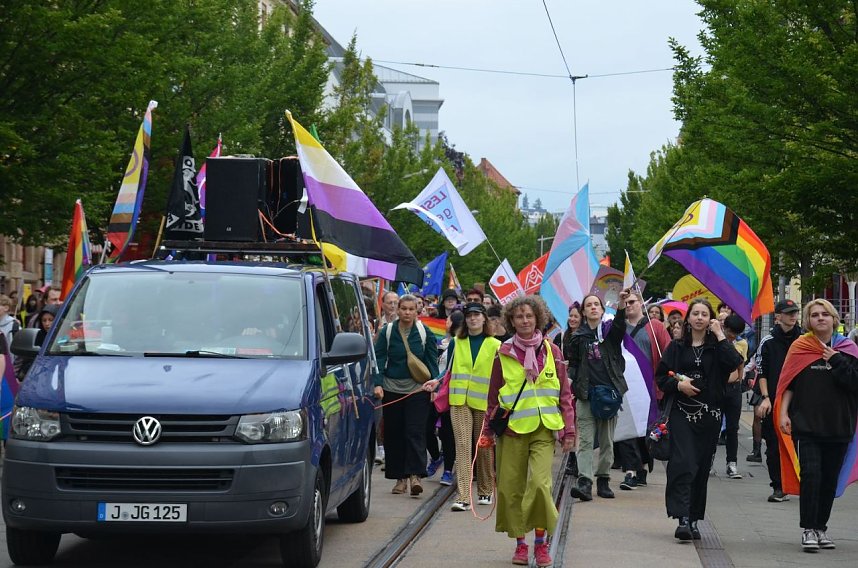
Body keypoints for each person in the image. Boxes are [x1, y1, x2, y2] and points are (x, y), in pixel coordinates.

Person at [480, 295, 575, 567]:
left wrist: (569, 430)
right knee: (511, 490)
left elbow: (565, 394)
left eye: (529, 316)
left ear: (538, 319)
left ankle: (541, 543)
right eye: (519, 316)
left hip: (544, 429)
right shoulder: (503, 353)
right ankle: (521, 544)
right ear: (511, 320)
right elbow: (493, 396)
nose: (524, 321)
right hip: (511, 431)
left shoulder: (552, 352)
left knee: (540, 486)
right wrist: (487, 430)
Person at [655, 298, 743, 541]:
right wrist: (678, 384)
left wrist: (721, 335)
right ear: (688, 318)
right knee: (683, 463)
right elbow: (661, 377)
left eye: (705, 314)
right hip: (681, 414)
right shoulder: (676, 347)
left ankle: (694, 518)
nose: (700, 318)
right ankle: (682, 517)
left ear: (711, 319)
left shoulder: (717, 348)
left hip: (710, 416)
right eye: (695, 313)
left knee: (701, 468)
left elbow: (736, 364)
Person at [775, 299, 858, 552]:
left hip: (839, 425)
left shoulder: (848, 349)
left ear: (834, 319)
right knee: (811, 475)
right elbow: (789, 383)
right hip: (807, 425)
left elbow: (854, 383)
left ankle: (821, 527)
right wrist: (783, 413)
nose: (820, 318)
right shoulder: (800, 347)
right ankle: (808, 529)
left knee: (829, 480)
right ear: (807, 321)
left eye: (825, 314)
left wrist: (835, 360)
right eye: (814, 315)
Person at [425, 303, 500, 511]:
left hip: (484, 402)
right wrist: (437, 382)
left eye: (477, 315)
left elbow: (501, 375)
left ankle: (485, 489)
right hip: (459, 400)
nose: (473, 319)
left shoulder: (495, 344)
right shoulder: (456, 342)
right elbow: (448, 370)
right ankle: (464, 496)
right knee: (463, 445)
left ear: (484, 319)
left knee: (482, 445)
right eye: (469, 316)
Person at [373, 294, 439, 497]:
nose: (407, 312)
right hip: (392, 390)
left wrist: (434, 385)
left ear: (417, 311)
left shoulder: (424, 332)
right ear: (398, 310)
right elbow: (379, 357)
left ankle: (415, 476)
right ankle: (399, 478)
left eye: (411, 309)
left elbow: (431, 360)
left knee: (415, 431)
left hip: (417, 390)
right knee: (394, 432)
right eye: (404, 309)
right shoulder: (388, 331)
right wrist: (378, 383)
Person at [568, 291, 629, 501]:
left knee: (607, 441)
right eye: (589, 305)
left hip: (609, 395)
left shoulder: (610, 332)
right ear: (584, 312)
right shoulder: (578, 337)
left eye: (596, 304)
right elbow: (574, 364)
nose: (593, 307)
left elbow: (620, 327)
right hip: (585, 395)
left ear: (602, 310)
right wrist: (571, 385)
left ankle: (603, 478)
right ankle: (584, 481)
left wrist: (621, 305)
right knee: (584, 441)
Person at [616, 291, 672, 490]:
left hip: (649, 388)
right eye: (625, 302)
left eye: (632, 302)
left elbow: (668, 352)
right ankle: (631, 471)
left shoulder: (654, 326)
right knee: (626, 430)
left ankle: (642, 467)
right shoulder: (618, 327)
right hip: (624, 387)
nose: (629, 305)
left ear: (641, 303)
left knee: (645, 431)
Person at [753, 299, 801, 501]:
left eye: (795, 312)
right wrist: (765, 398)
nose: (793, 316)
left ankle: (802, 484)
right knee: (773, 445)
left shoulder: (804, 339)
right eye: (788, 313)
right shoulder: (768, 341)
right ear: (778, 317)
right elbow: (761, 372)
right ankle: (778, 486)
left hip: (802, 401)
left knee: (801, 445)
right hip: (774, 400)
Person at [427, 310, 463, 486]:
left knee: (447, 433)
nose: (445, 322)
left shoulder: (458, 343)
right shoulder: (445, 342)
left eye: (448, 320)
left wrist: (438, 383)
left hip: (452, 394)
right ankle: (436, 457)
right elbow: (444, 368)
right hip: (439, 391)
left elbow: (449, 369)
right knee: (428, 428)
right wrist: (435, 382)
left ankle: (448, 470)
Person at [721, 314, 748, 479]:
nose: (732, 336)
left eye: (736, 333)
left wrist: (739, 380)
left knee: (732, 428)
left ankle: (732, 463)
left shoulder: (742, 343)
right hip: (718, 388)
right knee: (713, 427)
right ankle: (708, 461)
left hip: (733, 389)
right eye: (731, 332)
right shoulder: (716, 340)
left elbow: (739, 364)